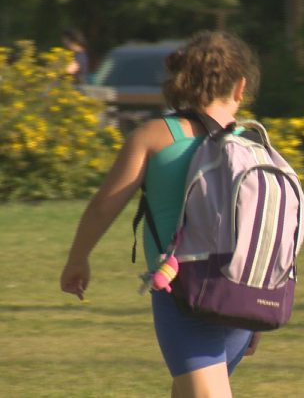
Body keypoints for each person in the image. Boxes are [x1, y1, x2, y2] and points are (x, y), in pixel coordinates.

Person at [60, 30, 262, 398]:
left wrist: (78, 259)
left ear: (179, 80)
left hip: (185, 293)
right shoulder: (251, 146)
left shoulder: (153, 136)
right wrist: (259, 308)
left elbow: (105, 203)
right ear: (240, 87)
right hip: (245, 297)